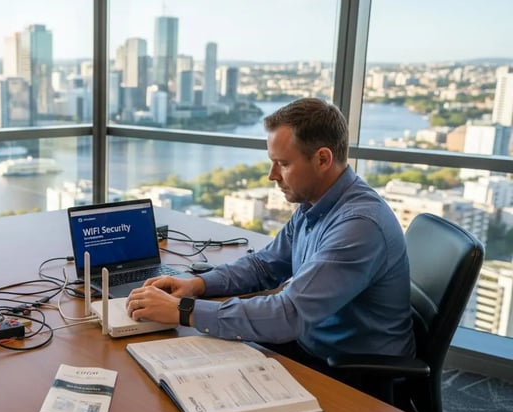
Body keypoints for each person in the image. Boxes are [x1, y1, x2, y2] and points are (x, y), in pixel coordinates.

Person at [126, 97, 415, 392]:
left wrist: (184, 310)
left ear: (323, 159)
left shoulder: (359, 226)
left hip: (351, 373)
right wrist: (197, 285)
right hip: (310, 343)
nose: (272, 175)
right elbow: (264, 264)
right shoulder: (315, 203)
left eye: (283, 164)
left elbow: (288, 314)